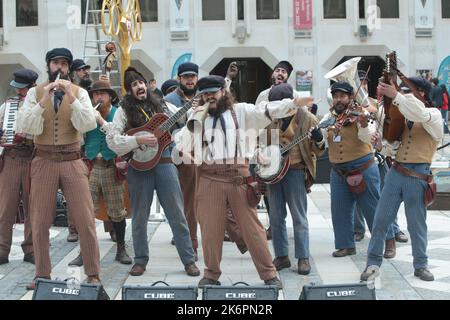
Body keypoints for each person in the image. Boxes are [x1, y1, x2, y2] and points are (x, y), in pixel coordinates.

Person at [175, 75, 315, 289]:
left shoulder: (240, 111)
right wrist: (193, 122)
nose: (209, 97)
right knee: (210, 230)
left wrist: (293, 103)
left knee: (253, 229)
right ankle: (211, 274)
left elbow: (267, 109)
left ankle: (269, 274)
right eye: (205, 94)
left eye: (213, 92)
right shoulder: (198, 116)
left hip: (238, 177)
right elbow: (182, 144)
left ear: (224, 91)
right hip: (209, 178)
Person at [101, 66, 200, 277]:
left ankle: (189, 260)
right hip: (139, 167)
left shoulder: (161, 105)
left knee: (177, 214)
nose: (139, 87)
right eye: (134, 84)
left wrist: (196, 107)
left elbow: (185, 117)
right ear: (129, 90)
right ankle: (140, 260)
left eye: (141, 82)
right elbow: (113, 141)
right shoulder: (123, 111)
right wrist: (137, 139)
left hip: (165, 163)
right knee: (139, 217)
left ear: (146, 84)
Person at [17, 48, 101, 289]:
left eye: (64, 64)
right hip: (43, 159)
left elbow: (86, 124)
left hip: (73, 159)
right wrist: (45, 98)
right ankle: (42, 274)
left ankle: (93, 272)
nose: (59, 67)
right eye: (55, 63)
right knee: (39, 220)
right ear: (48, 66)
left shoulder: (80, 92)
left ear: (69, 68)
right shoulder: (34, 93)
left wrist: (70, 96)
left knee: (85, 219)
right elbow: (26, 127)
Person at [361, 77, 443, 282]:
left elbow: (419, 113)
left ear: (422, 93)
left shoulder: (433, 115)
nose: (404, 94)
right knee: (380, 219)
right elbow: (393, 148)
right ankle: (372, 263)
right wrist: (380, 144)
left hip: (418, 176)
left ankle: (421, 265)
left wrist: (395, 95)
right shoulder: (403, 117)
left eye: (408, 91)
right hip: (395, 173)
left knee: (417, 224)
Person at [321, 81, 395, 258]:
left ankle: (389, 240)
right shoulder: (327, 117)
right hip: (338, 171)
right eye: (336, 96)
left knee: (373, 208)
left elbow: (369, 137)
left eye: (342, 96)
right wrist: (320, 134)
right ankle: (346, 245)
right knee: (339, 209)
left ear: (349, 98)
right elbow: (322, 141)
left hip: (363, 168)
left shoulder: (361, 114)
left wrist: (361, 123)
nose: (338, 100)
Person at [263, 83, 325, 275]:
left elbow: (319, 151)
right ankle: (282, 256)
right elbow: (262, 144)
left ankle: (303, 257)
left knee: (299, 217)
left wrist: (319, 138)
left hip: (296, 171)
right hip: (274, 173)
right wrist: (262, 157)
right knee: (275, 217)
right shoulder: (270, 119)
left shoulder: (307, 118)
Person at [68, 80, 132, 267]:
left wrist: (100, 120)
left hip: (112, 167)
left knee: (117, 212)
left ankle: (121, 249)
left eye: (103, 94)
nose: (99, 97)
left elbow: (121, 138)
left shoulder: (119, 114)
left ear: (110, 96)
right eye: (95, 94)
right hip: (90, 168)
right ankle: (84, 252)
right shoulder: (87, 114)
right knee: (86, 213)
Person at [353, 70, 408, 244]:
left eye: (365, 83)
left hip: (380, 154)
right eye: (359, 83)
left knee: (387, 194)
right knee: (357, 193)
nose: (363, 86)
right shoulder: (350, 104)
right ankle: (358, 229)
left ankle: (394, 228)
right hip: (359, 154)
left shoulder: (376, 103)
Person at [0, 69, 38, 266]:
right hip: (12, 157)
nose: (18, 92)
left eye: (22, 88)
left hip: (33, 157)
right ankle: (1, 249)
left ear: (31, 87)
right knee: (6, 206)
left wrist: (28, 135)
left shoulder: (40, 104)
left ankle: (31, 249)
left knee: (33, 207)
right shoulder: (8, 106)